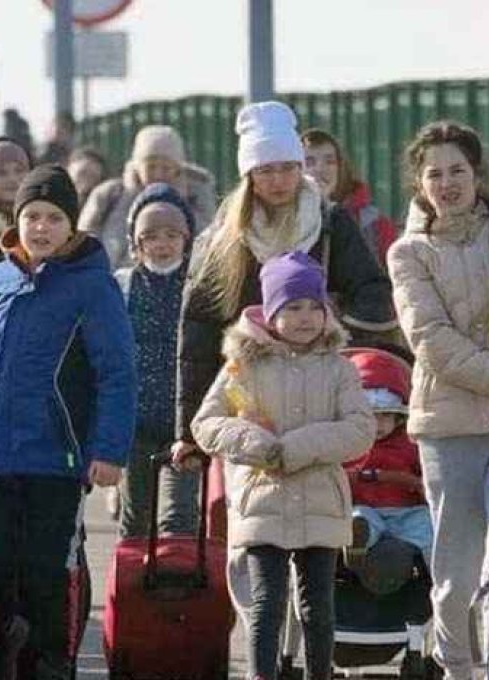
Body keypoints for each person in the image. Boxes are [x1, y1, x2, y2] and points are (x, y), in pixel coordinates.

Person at [385, 120, 489, 680]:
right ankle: (457, 666)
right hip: (448, 428)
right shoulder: (408, 254)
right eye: (435, 173)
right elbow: (432, 343)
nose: (448, 182)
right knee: (455, 573)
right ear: (419, 184)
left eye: (458, 170)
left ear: (478, 174)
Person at [170, 101, 394, 486]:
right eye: (266, 171)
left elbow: (372, 292)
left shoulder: (328, 224)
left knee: (318, 508)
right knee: (250, 514)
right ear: (249, 175)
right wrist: (189, 430)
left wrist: (330, 334)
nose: (278, 181)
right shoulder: (226, 239)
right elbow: (198, 334)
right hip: (249, 399)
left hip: (317, 395)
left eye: (288, 168)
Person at [0, 166, 134, 680]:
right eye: (31, 217)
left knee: (47, 576)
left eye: (53, 218)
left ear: (72, 226)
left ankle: (50, 664)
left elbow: (117, 372)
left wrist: (107, 450)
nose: (40, 228)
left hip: (57, 459)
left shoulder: (93, 287)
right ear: (16, 221)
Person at [191, 251, 373, 680]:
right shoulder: (244, 366)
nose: (306, 317)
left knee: (318, 607)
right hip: (263, 499)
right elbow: (207, 423)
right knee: (266, 603)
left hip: (319, 500)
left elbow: (361, 429)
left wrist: (298, 447)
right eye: (293, 307)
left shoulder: (338, 369)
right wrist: (257, 445)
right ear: (272, 312)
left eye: (314, 306)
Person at [114, 183, 200, 539]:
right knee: (136, 516)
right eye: (150, 236)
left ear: (186, 239)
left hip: (185, 423)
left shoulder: (199, 286)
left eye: (171, 235)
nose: (162, 244)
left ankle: (177, 587)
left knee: (178, 518)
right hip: (135, 422)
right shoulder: (122, 285)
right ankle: (131, 589)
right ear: (136, 243)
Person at [77, 125, 217, 269]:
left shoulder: (196, 196)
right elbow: (83, 242)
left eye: (166, 168)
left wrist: (179, 202)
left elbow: (207, 243)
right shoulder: (110, 195)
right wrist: (130, 197)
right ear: (137, 167)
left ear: (177, 169)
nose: (158, 174)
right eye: (151, 167)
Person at [341, 348, 431, 566]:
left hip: (406, 510)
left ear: (399, 418)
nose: (378, 425)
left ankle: (436, 572)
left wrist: (423, 485)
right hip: (366, 508)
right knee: (358, 518)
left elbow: (425, 473)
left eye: (385, 417)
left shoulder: (410, 444)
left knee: (428, 525)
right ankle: (355, 545)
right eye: (371, 417)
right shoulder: (347, 446)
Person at [301, 129, 397, 267]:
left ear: (342, 169)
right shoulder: (281, 219)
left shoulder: (374, 225)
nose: (320, 169)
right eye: (309, 162)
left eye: (330, 161)